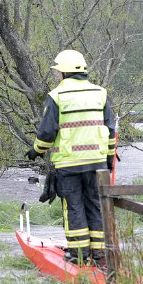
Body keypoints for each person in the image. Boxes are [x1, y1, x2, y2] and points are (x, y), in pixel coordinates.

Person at [26, 49, 116, 266]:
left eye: (58, 72)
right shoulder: (100, 93)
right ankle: (100, 255)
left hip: (69, 164)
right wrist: (109, 162)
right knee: (94, 204)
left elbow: (47, 134)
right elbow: (110, 131)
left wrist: (36, 151)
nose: (57, 76)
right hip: (97, 162)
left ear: (64, 72)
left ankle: (79, 254)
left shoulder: (57, 96)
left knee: (73, 207)